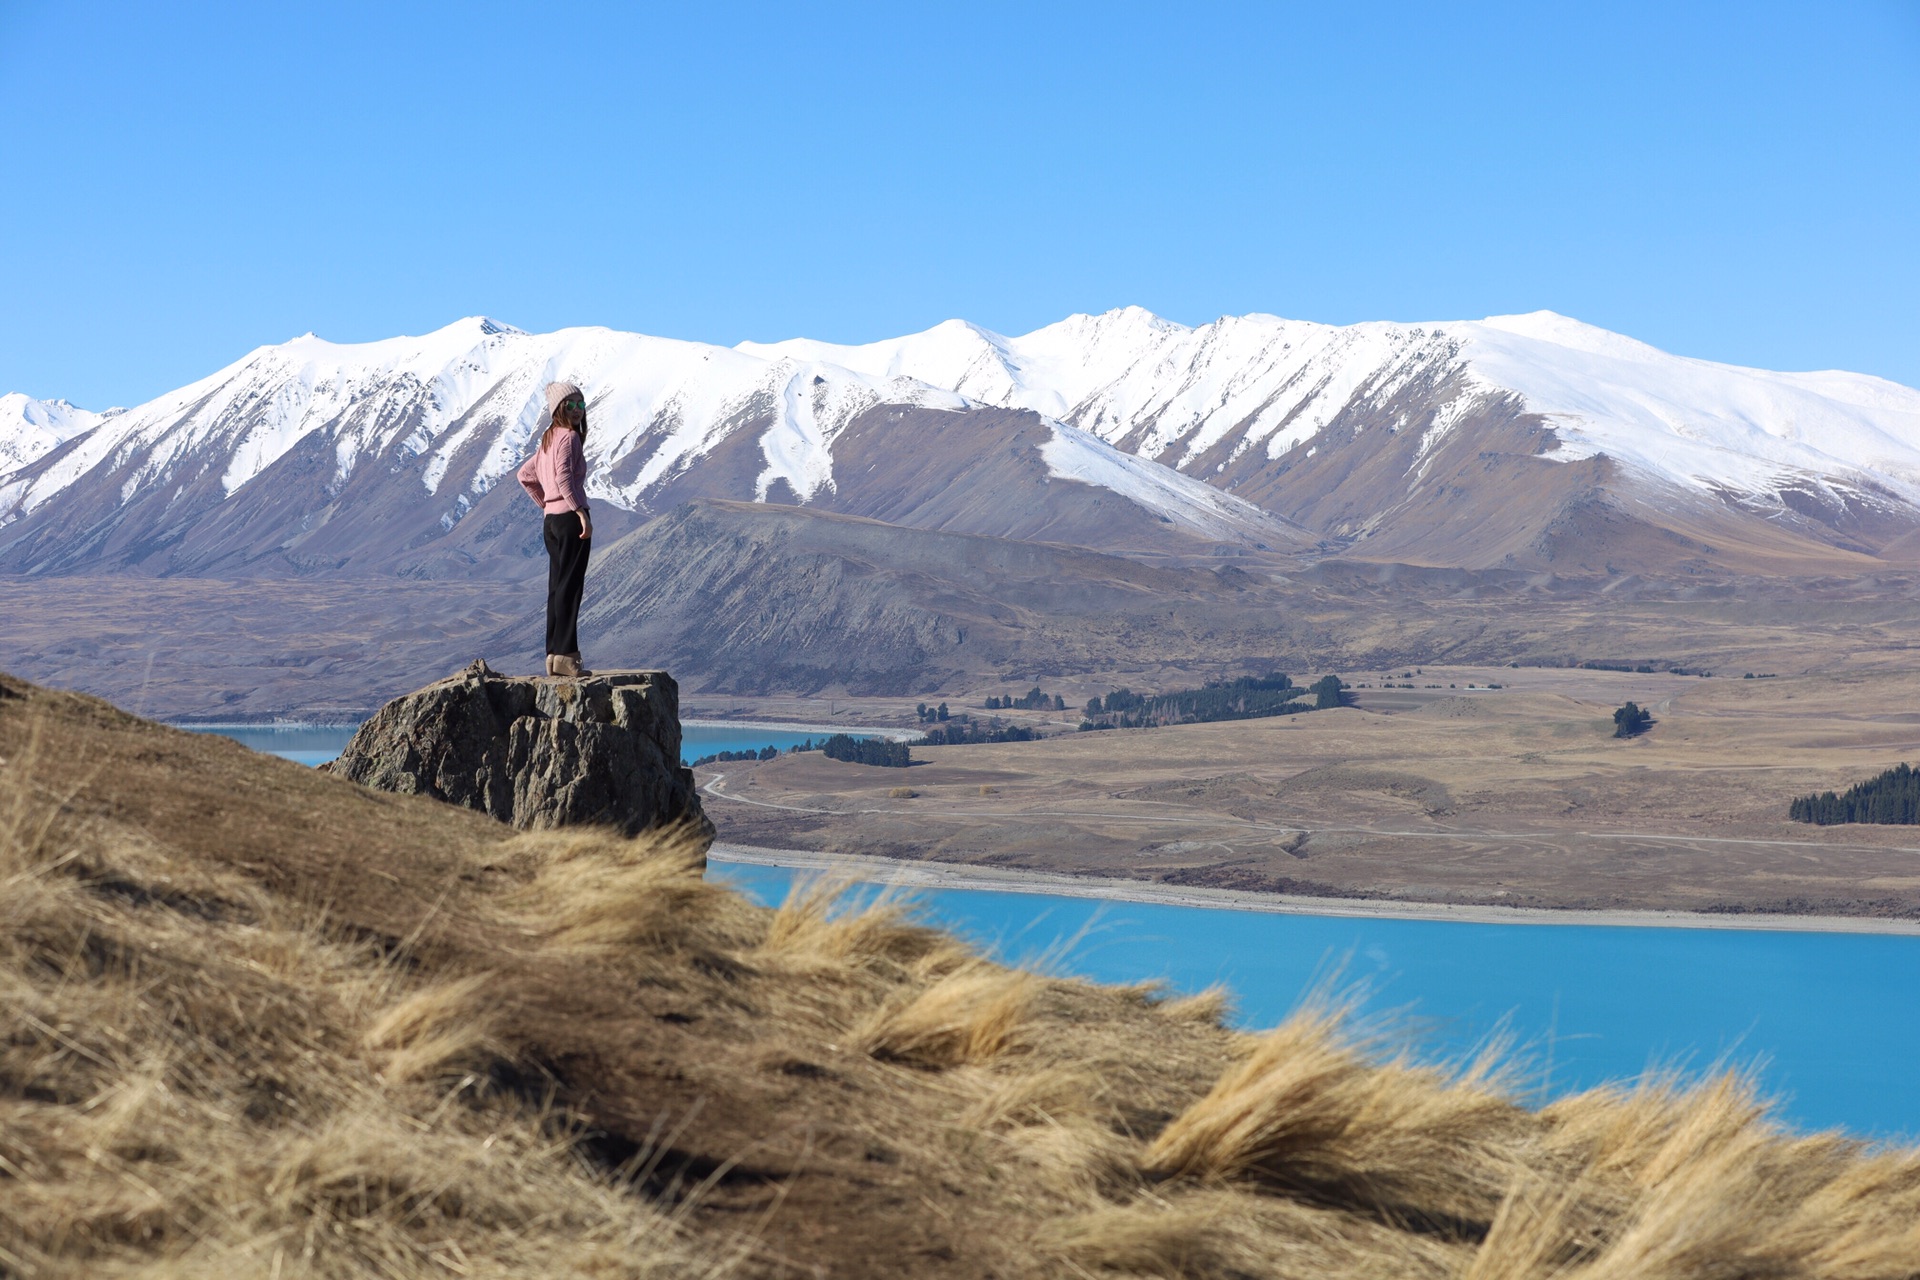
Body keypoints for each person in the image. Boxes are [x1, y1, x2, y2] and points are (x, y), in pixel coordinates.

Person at [516, 381, 595, 677]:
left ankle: (554, 656)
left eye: (581, 404)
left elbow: (525, 475)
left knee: (556, 588)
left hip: (551, 522)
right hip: (569, 520)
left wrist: (545, 504)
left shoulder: (547, 440)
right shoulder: (568, 438)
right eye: (570, 404)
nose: (576, 410)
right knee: (570, 588)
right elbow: (564, 478)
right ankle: (567, 656)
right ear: (558, 409)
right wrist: (578, 512)